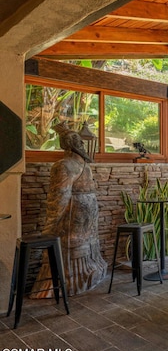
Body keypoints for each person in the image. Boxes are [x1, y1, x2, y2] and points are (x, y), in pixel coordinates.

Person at [32, 122, 107, 297]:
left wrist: (50, 225)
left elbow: (59, 198)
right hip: (89, 209)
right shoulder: (84, 166)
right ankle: (83, 275)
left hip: (75, 212)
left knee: (71, 246)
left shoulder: (63, 165)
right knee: (81, 245)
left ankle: (70, 280)